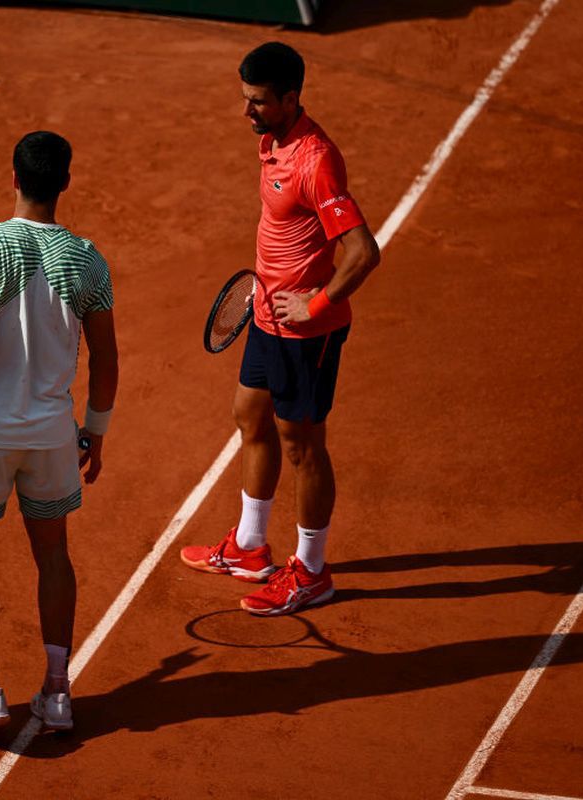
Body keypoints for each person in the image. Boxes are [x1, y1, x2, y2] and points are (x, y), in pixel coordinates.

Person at [0, 131, 118, 735]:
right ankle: (57, 692)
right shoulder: (87, 259)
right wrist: (95, 431)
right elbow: (107, 360)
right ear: (64, 182)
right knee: (53, 554)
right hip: (52, 437)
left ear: (14, 178)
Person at [180, 42, 381, 616]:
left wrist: (317, 305)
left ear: (291, 99)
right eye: (245, 99)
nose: (247, 112)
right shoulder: (272, 141)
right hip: (266, 314)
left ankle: (313, 572)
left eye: (259, 102)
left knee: (303, 446)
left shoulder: (316, 160)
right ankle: (248, 547)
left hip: (305, 332)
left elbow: (363, 253)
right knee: (249, 413)